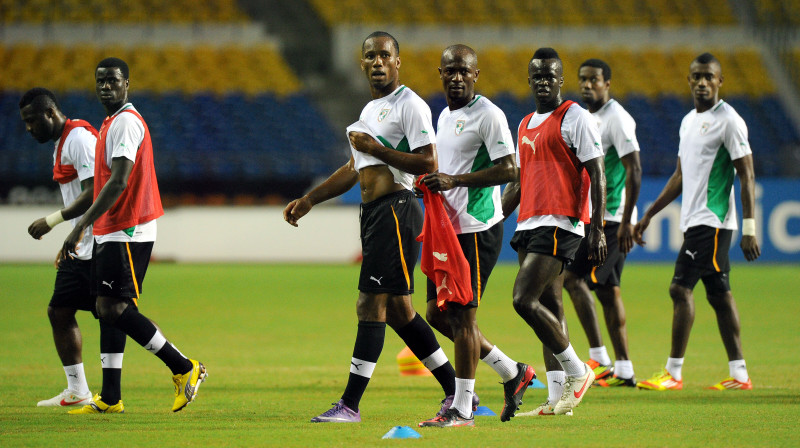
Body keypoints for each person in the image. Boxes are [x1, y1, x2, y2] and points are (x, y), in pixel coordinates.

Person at [284, 31, 459, 423]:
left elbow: (429, 162)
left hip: (397, 210)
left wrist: (376, 148)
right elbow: (353, 168)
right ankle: (458, 390)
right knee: (398, 311)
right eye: (370, 56)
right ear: (362, 63)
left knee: (369, 304)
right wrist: (310, 199)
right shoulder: (370, 110)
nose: (377, 62)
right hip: (377, 214)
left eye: (384, 55)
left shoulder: (409, 105)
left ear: (397, 61)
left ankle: (350, 404)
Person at [61, 57, 207, 414]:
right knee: (106, 308)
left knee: (113, 307)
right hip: (111, 227)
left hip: (128, 227)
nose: (105, 86)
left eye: (113, 80)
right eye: (100, 81)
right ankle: (110, 397)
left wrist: (79, 225)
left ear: (127, 84)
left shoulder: (126, 122)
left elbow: (119, 181)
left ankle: (183, 367)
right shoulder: (110, 122)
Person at [416, 45, 534, 427]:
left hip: (477, 228)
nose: (456, 77)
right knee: (436, 313)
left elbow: (510, 169)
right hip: (448, 230)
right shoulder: (444, 116)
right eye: (450, 71)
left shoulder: (489, 115)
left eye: (463, 71)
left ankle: (462, 408)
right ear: (440, 74)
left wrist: (455, 180)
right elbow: (449, 165)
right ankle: (512, 371)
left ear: (476, 75)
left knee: (463, 318)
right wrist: (432, 184)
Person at [634, 52, 759, 391]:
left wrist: (750, 228)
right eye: (697, 76)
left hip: (712, 220)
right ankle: (740, 375)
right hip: (695, 219)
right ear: (689, 80)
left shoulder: (729, 121)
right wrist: (649, 214)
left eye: (709, 77)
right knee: (718, 293)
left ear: (720, 81)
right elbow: (679, 175)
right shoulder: (688, 121)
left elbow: (747, 174)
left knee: (680, 287)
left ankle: (673, 373)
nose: (702, 82)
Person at [501, 48, 607, 417]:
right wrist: (492, 218)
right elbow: (519, 181)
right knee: (549, 307)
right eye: (538, 76)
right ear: (529, 81)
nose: (544, 82)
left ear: (561, 79)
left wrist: (597, 227)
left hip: (561, 222)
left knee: (523, 300)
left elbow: (597, 171)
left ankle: (579, 372)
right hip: (528, 223)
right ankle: (558, 399)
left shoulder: (574, 116)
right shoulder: (525, 123)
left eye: (550, 76)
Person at [19, 87, 128, 409]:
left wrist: (52, 220)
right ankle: (78, 390)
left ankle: (180, 363)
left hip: (100, 241)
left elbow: (96, 189)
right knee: (60, 310)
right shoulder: (63, 142)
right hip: (81, 243)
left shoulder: (78, 139)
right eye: (25, 122)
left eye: (32, 120)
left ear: (51, 113)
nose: (29, 128)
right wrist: (72, 236)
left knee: (121, 316)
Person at [562, 59, 642, 387]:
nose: (587, 85)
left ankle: (600, 358)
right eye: (583, 79)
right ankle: (624, 369)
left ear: (607, 83)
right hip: (597, 217)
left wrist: (627, 222)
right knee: (608, 291)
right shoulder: (586, 117)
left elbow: (634, 168)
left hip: (611, 219)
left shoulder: (617, 119)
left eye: (594, 80)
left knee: (571, 278)